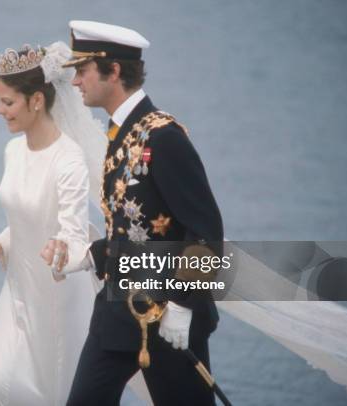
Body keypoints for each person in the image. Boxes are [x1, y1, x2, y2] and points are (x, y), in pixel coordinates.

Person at [63, 21, 224, 406]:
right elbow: (139, 225)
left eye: (82, 71)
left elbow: (206, 234)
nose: (75, 82)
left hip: (167, 316)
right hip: (119, 310)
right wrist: (95, 254)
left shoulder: (163, 138)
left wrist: (184, 305)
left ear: (113, 71)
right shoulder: (123, 131)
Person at [0, 41, 104, 406]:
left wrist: (62, 250)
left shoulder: (69, 160)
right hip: (16, 292)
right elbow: (23, 218)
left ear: (36, 100)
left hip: (57, 298)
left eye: (7, 102)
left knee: (47, 396)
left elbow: (73, 233)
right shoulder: (13, 151)